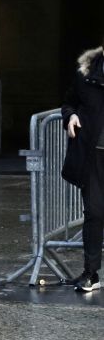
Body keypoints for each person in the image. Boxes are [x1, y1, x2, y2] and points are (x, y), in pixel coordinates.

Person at [63, 38, 104, 292]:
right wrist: (71, 116)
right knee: (94, 213)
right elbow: (69, 102)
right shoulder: (86, 72)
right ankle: (91, 273)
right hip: (94, 156)